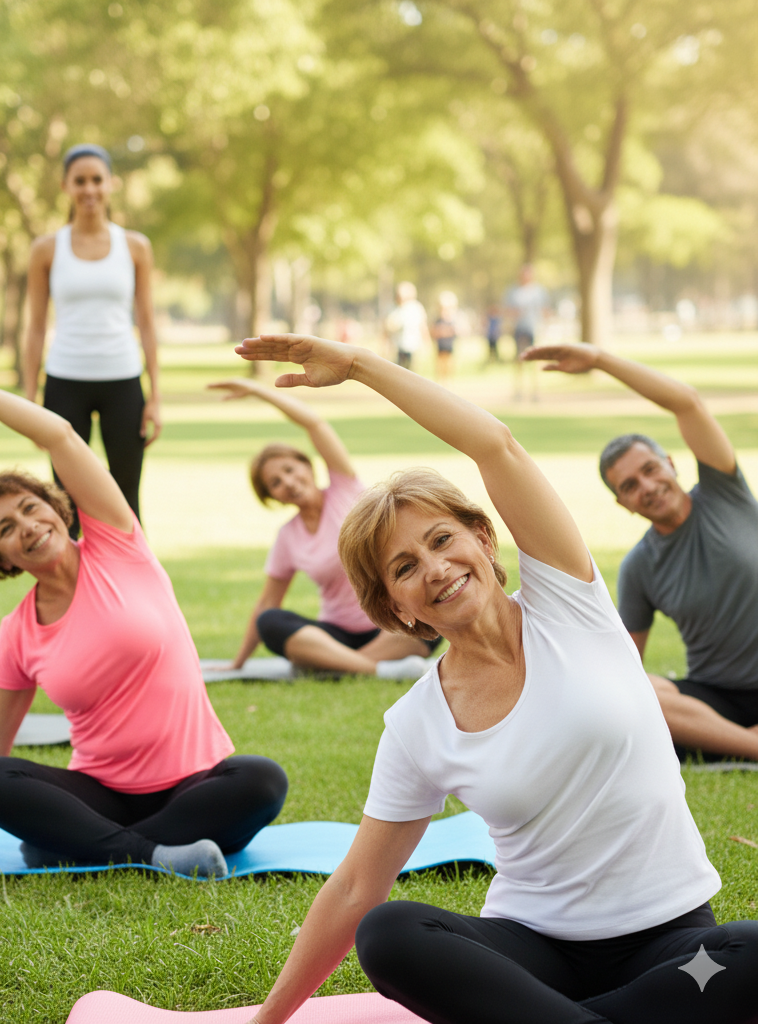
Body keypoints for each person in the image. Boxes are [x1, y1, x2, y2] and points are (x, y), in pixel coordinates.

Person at [233, 333, 758, 1024]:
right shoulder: (418, 722)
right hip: (530, 958)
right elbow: (358, 886)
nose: (435, 569)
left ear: (483, 538)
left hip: (674, 945)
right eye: (404, 568)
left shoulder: (569, 601)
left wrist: (360, 367)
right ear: (396, 606)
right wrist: (266, 1023)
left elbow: (494, 446)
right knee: (389, 933)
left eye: (441, 539)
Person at [0, 373, 288, 877]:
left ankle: (79, 846)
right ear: (0, 558)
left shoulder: (119, 545)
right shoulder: (18, 631)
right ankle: (153, 854)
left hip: (193, 786)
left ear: (56, 507)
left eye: (30, 507)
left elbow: (60, 435)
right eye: (6, 529)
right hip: (98, 794)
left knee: (262, 780)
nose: (28, 526)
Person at [523, 342, 758, 762]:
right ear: (623, 504)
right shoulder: (639, 566)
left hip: (718, 719)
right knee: (645, 690)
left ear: (670, 463)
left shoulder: (725, 493)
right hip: (717, 698)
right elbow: (625, 671)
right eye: (630, 486)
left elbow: (686, 402)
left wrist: (599, 360)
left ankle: (725, 743)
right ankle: (748, 744)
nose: (647, 487)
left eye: (650, 469)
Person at [209, 377, 437, 679]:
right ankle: (373, 669)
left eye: (289, 470)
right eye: (275, 483)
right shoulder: (288, 537)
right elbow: (267, 603)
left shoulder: (346, 488)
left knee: (428, 613)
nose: (288, 482)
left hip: (393, 624)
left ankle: (340, 664)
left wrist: (259, 391)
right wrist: (238, 663)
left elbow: (314, 423)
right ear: (272, 497)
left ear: (307, 465)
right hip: (336, 634)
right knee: (270, 622)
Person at [23, 143, 161, 533]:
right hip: (65, 382)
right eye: (80, 181)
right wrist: (30, 396)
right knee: (65, 501)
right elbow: (35, 327)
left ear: (111, 184)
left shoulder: (135, 246)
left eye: (97, 180)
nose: (89, 189)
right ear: (65, 186)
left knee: (127, 500)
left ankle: (133, 575)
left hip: (123, 381)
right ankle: (71, 572)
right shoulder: (46, 249)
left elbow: (147, 323)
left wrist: (155, 396)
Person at [506, 264, 549, 400]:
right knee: (519, 359)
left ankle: (535, 391)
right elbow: (507, 310)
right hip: (519, 328)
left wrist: (544, 326)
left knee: (535, 360)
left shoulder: (538, 291)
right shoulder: (513, 291)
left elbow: (544, 310)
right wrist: (514, 314)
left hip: (534, 328)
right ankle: (518, 390)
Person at [383, 282, 430, 371]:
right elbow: (386, 328)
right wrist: (385, 345)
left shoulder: (416, 308)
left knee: (411, 371)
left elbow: (422, 326)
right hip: (397, 346)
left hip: (412, 345)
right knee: (398, 370)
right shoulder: (392, 309)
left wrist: (426, 343)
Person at [430, 290, 458, 383]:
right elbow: (434, 332)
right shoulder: (438, 321)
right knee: (439, 365)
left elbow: (455, 332)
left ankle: (448, 381)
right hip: (440, 347)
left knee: (449, 365)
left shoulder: (452, 321)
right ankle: (440, 381)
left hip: (449, 347)